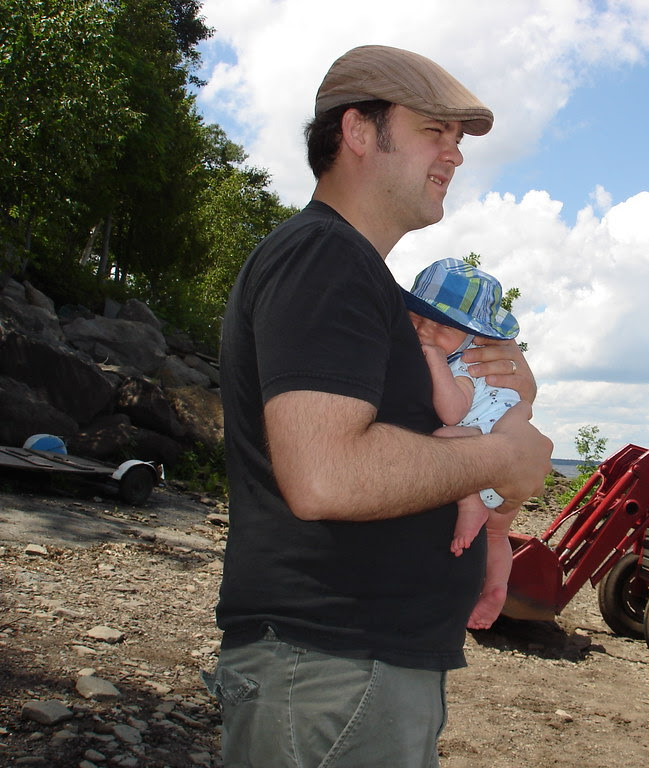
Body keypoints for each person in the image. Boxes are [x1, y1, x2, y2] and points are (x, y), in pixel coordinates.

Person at [207, 45, 553, 768]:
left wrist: (508, 393)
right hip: (331, 672)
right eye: (435, 131)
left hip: (351, 672)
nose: (455, 155)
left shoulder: (367, 285)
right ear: (358, 131)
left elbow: (413, 443)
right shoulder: (324, 260)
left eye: (459, 140)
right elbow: (327, 474)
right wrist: (499, 456)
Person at [404, 257, 525, 630]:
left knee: (442, 440)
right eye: (418, 318)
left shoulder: (465, 366)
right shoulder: (466, 355)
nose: (426, 332)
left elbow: (453, 412)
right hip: (506, 451)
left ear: (473, 337)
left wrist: (435, 362)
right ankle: (497, 587)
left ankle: (469, 501)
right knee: (498, 532)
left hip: (487, 444)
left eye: (442, 327)